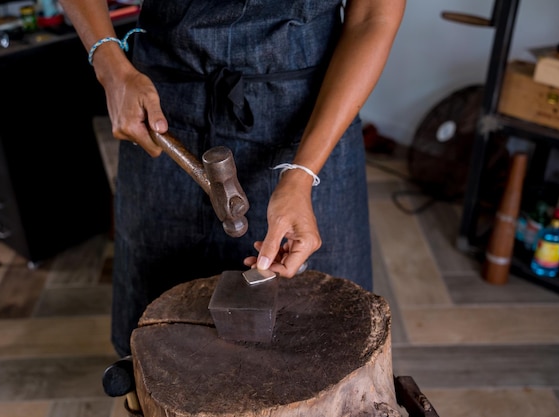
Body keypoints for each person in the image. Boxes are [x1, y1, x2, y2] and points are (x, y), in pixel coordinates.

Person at [58, 0, 406, 358]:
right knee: (156, 345)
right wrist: (110, 65)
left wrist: (302, 173)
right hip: (166, 108)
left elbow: (373, 17)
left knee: (328, 340)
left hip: (311, 113)